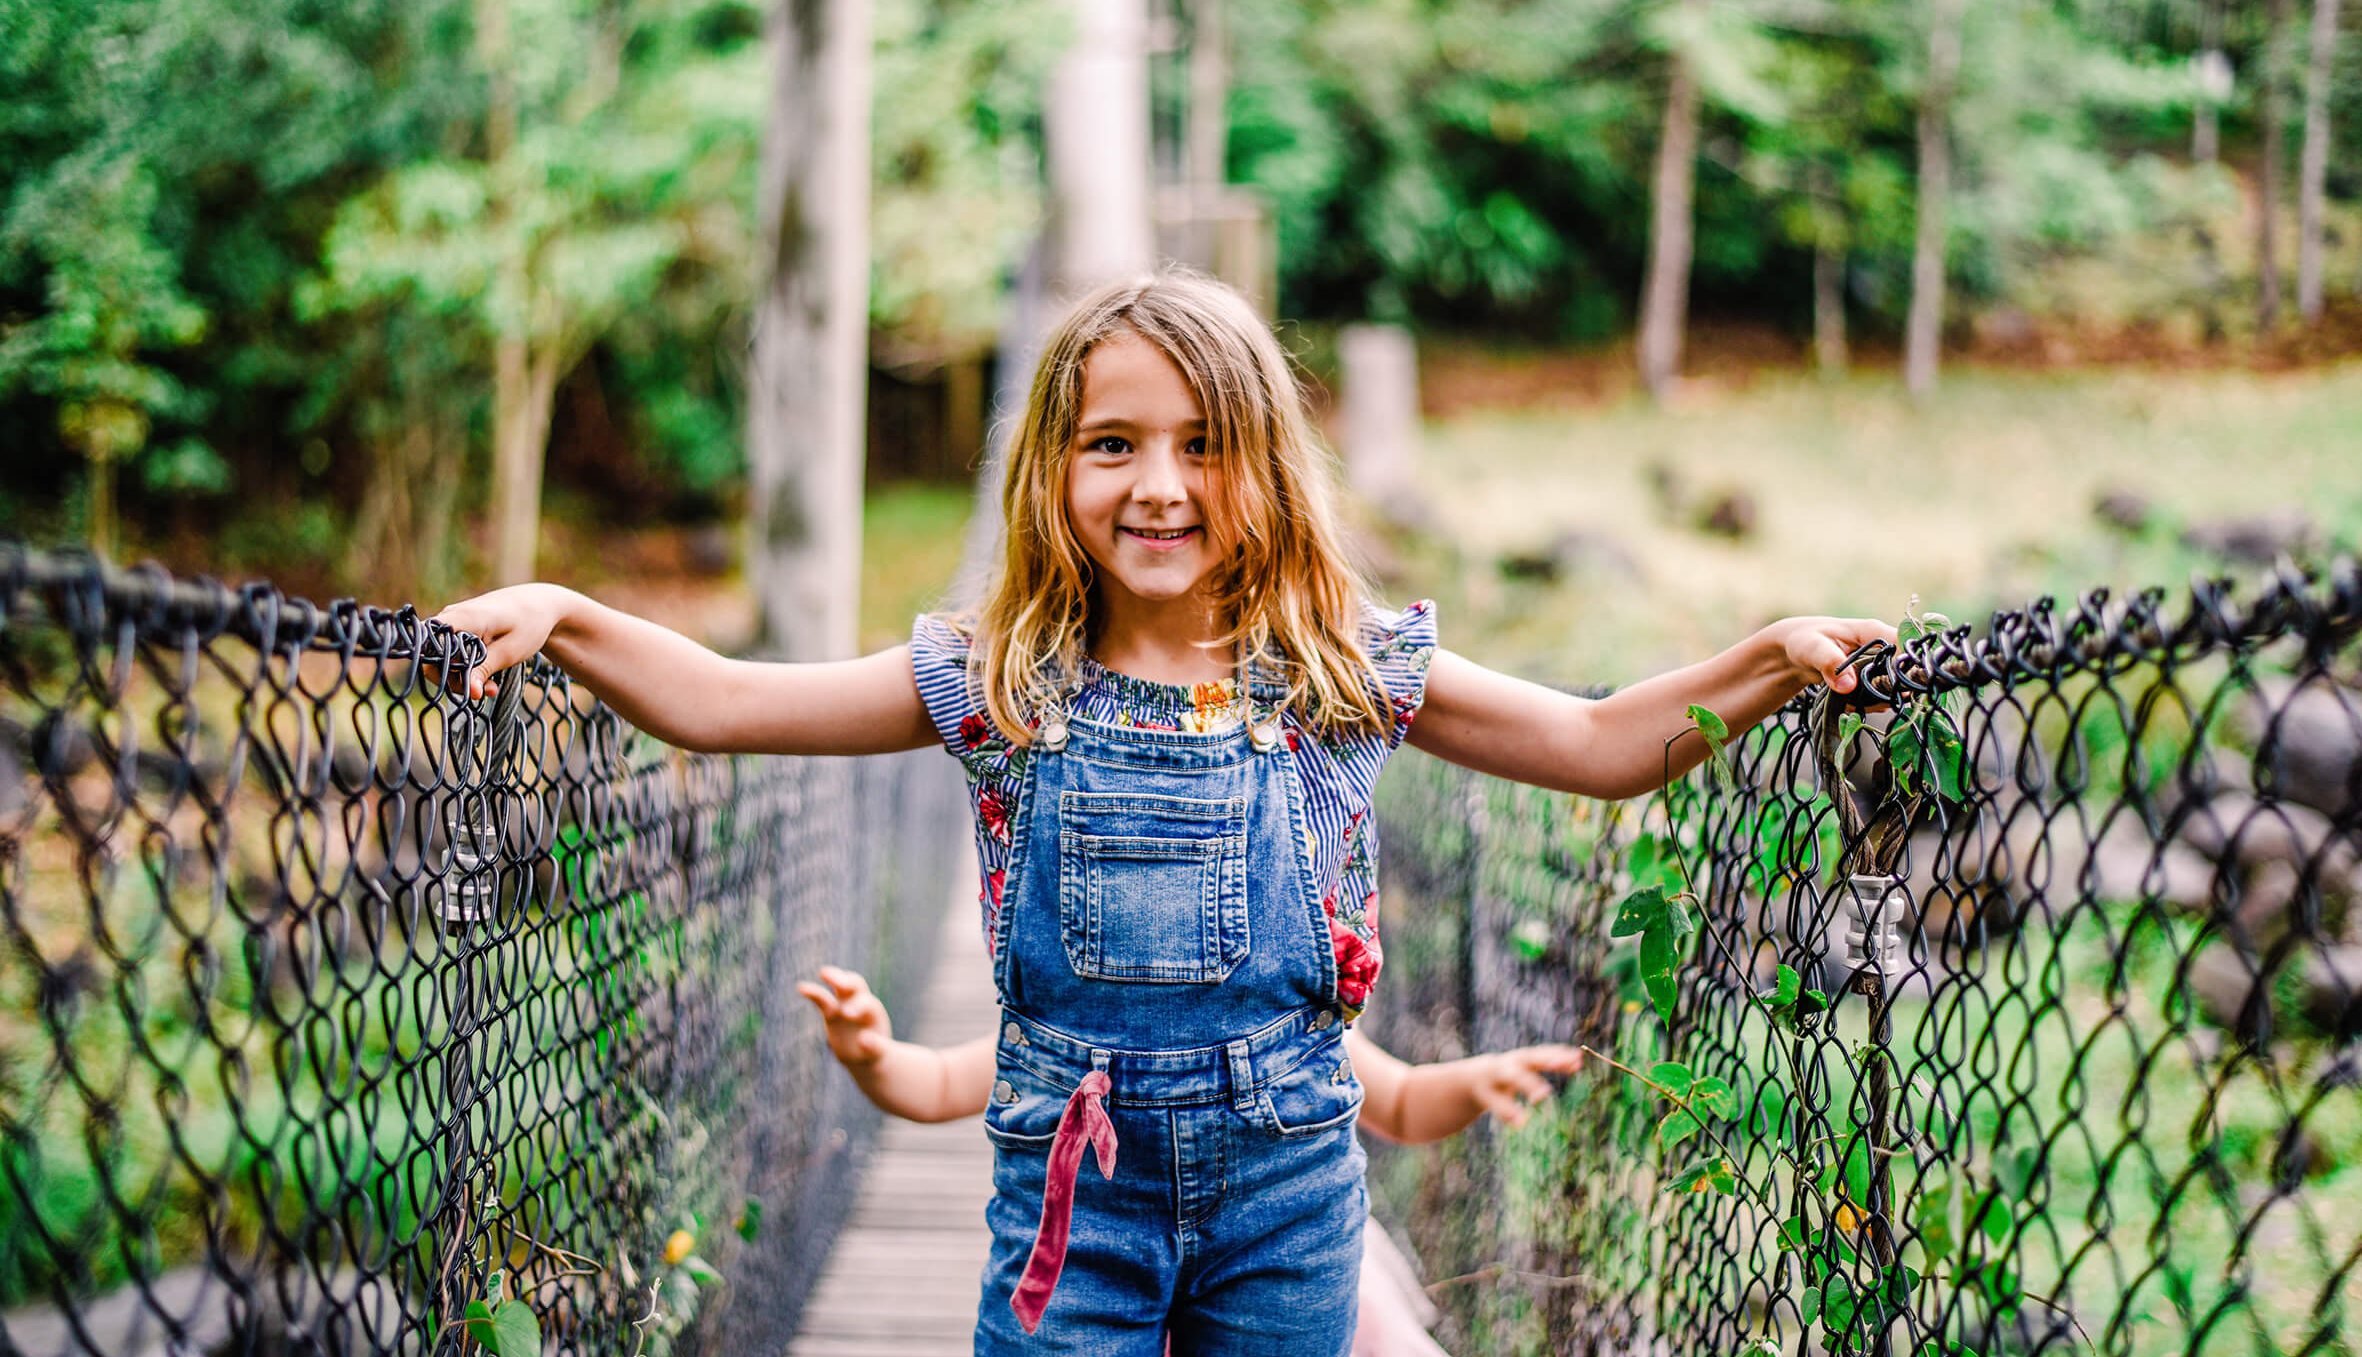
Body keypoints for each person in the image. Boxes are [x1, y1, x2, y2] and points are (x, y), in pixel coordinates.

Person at [433, 270, 1891, 1355]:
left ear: (1266, 466)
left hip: (1287, 1188)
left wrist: (1765, 658)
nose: (1158, 484)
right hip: (1075, 1201)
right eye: (1112, 444)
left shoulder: (1339, 671)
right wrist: (566, 616)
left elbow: (1596, 741)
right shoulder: (995, 680)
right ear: (1051, 471)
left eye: (1203, 444)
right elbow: (727, 703)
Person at [793, 964, 1582, 1357]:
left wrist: (1473, 1082)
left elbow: (1402, 1101)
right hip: (1109, 1281)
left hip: (1268, 1265)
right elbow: (934, 1083)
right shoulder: (1064, 1046)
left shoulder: (1289, 1035)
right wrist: (872, 1054)